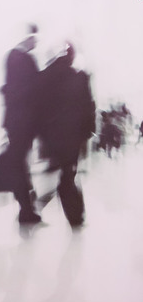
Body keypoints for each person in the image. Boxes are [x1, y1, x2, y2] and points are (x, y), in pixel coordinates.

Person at [35, 43, 95, 228]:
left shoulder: (44, 77)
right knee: (68, 174)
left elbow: (37, 109)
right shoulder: (79, 76)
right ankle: (75, 216)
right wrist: (87, 134)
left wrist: (42, 135)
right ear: (71, 56)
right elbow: (88, 107)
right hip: (72, 135)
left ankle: (72, 213)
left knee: (64, 173)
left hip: (51, 137)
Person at [0, 28, 42, 224]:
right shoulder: (23, 59)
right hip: (23, 122)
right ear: (28, 38)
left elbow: (10, 89)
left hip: (15, 122)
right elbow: (32, 90)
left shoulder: (12, 57)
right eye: (35, 40)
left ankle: (26, 206)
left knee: (19, 164)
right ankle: (26, 209)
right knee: (19, 165)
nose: (36, 44)